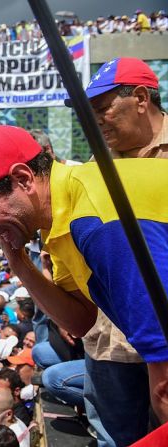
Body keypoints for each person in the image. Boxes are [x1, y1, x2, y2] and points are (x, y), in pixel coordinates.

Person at [0, 123, 168, 424]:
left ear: (23, 179)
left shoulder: (94, 221)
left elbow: (165, 386)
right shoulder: (60, 212)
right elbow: (80, 320)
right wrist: (19, 264)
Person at [67, 56, 166, 445]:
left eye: (103, 108)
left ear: (141, 98)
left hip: (163, 340)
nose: (97, 120)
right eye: (90, 113)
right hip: (111, 344)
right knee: (117, 438)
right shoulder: (96, 165)